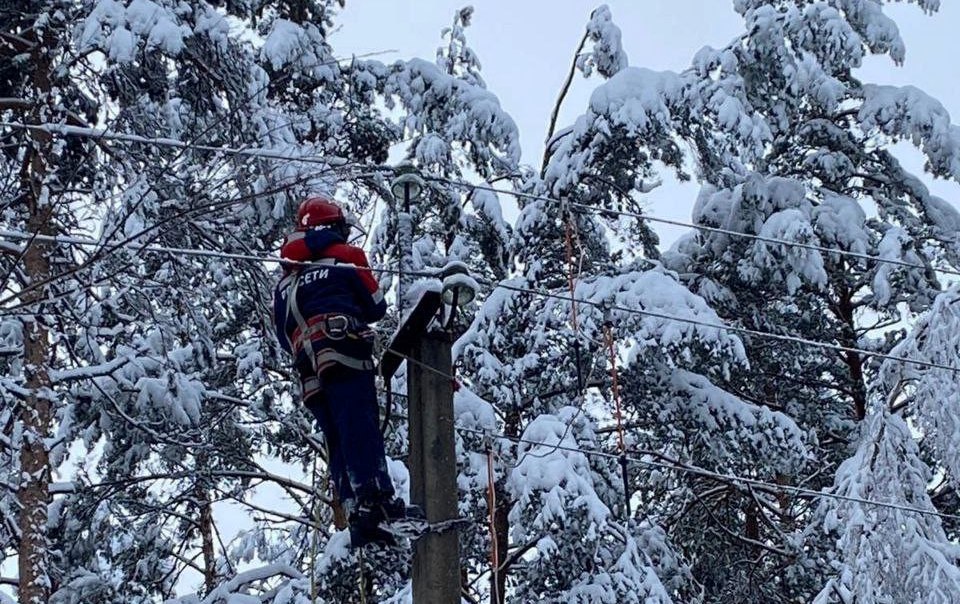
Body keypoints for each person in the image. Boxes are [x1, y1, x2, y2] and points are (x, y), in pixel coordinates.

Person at [273, 195, 412, 547]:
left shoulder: (285, 282)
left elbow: (281, 333)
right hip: (343, 351)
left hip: (308, 370)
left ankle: (356, 510)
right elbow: (376, 306)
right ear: (335, 227)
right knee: (359, 425)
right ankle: (376, 500)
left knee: (336, 435)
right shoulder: (346, 257)